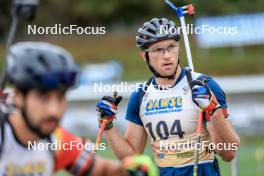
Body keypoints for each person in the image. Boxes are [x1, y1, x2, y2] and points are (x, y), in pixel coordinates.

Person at [96, 18, 240, 176]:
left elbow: (229, 153)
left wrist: (214, 110)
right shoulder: (141, 95)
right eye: (158, 50)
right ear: (144, 55)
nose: (167, 56)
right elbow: (132, 158)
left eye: (171, 47)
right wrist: (108, 125)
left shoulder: (204, 86)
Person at [0, 41, 158, 176]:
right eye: (43, 97)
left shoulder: (57, 140)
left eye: (61, 97)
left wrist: (131, 169)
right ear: (19, 96)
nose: (54, 110)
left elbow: (103, 170)